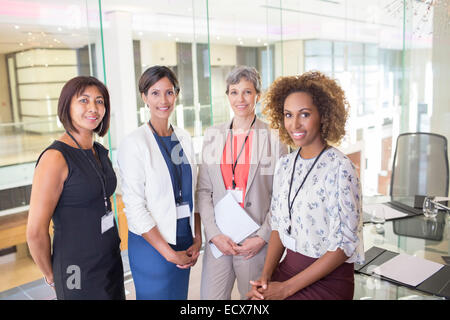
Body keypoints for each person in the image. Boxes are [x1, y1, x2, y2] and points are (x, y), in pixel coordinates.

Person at [247, 71, 365, 300]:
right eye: (288, 115)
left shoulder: (340, 168)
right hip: (289, 270)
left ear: (323, 115)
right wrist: (266, 278)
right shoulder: (285, 165)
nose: (295, 124)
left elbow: (343, 247)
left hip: (328, 280)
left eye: (305, 114)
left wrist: (285, 289)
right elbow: (279, 227)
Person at [26, 76, 125, 300]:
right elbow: (34, 232)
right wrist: (51, 275)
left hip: (109, 260)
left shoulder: (98, 152)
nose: (93, 108)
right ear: (66, 106)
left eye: (99, 101)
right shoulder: (55, 158)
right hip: (75, 269)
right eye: (84, 100)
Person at [197, 65, 288, 300]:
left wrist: (263, 236)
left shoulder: (275, 138)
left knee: (253, 302)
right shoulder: (213, 136)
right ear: (227, 95)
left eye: (247, 92)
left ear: (258, 95)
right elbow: (204, 191)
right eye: (234, 91)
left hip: (254, 242)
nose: (241, 98)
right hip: (220, 240)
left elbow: (282, 196)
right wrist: (213, 233)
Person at [117, 66, 201, 300]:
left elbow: (193, 191)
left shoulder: (183, 137)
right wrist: (169, 254)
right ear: (144, 97)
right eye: (155, 93)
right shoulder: (134, 143)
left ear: (176, 95)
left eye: (169, 92)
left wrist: (197, 237)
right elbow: (134, 207)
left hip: (184, 238)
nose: (163, 100)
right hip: (153, 246)